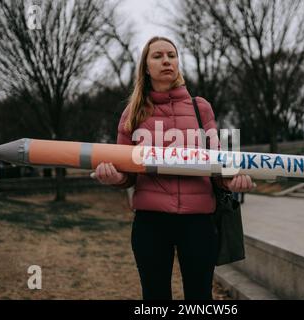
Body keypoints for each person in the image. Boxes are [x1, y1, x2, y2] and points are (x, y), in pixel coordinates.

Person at [93, 36, 254, 300]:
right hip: (151, 223)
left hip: (199, 223)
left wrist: (232, 181)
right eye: (157, 56)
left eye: (171, 55)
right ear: (146, 67)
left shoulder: (201, 108)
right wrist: (115, 177)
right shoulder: (132, 113)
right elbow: (127, 174)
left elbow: (216, 165)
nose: (166, 60)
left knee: (200, 299)